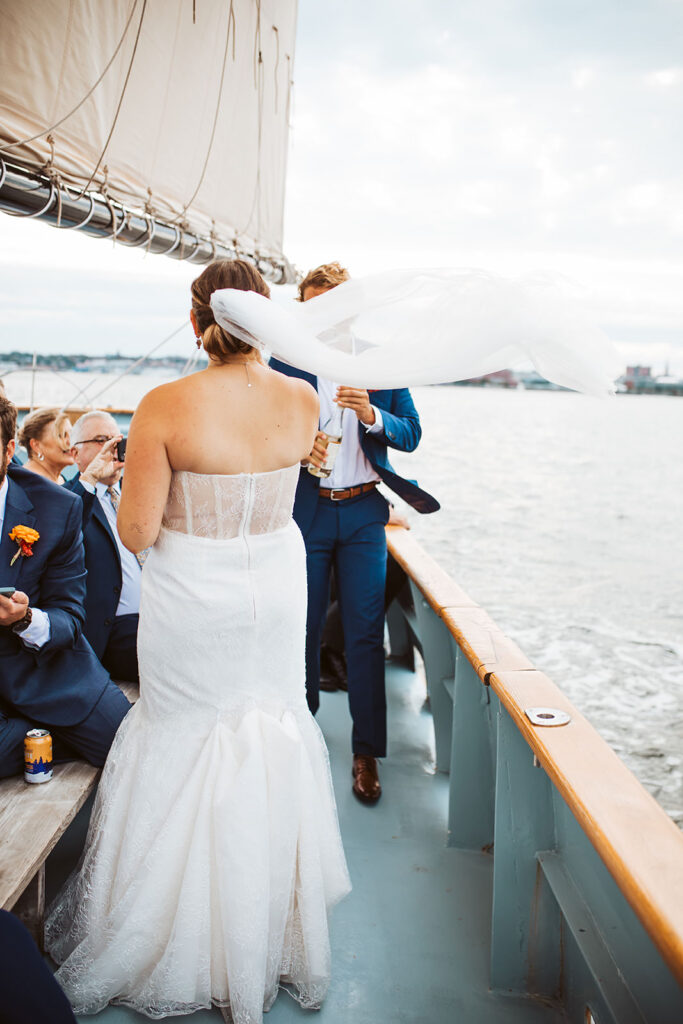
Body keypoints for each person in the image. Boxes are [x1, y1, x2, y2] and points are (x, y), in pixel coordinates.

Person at [46, 260, 351, 1024]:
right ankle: (261, 936)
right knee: (267, 729)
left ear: (196, 322)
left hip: (193, 597)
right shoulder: (303, 397)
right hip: (276, 589)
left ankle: (174, 937)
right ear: (266, 318)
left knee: (183, 737)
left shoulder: (164, 405)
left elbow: (139, 531)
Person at [270, 262, 439, 804]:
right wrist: (299, 449)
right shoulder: (283, 361)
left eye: (338, 308)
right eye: (318, 308)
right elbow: (266, 437)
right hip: (307, 511)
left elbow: (411, 433)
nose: (329, 319)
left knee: (366, 633)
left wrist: (371, 415)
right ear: (305, 309)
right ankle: (300, 737)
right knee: (300, 625)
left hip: (365, 512)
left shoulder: (379, 364)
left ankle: (366, 753)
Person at [0, 397, 130, 778]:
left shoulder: (57, 509)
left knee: (126, 745)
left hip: (47, 670)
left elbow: (68, 614)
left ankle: (29, 736)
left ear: (10, 449)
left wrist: (25, 619)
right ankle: (34, 737)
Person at [66, 410, 139, 682]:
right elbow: (65, 528)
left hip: (158, 613)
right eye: (100, 440)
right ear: (75, 454)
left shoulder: (135, 493)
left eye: (116, 440)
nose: (111, 448)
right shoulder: (70, 498)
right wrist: (92, 479)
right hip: (113, 629)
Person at [18, 407, 75, 484]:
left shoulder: (59, 479)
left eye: (71, 435)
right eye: (61, 435)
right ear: (36, 446)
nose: (70, 442)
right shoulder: (27, 483)